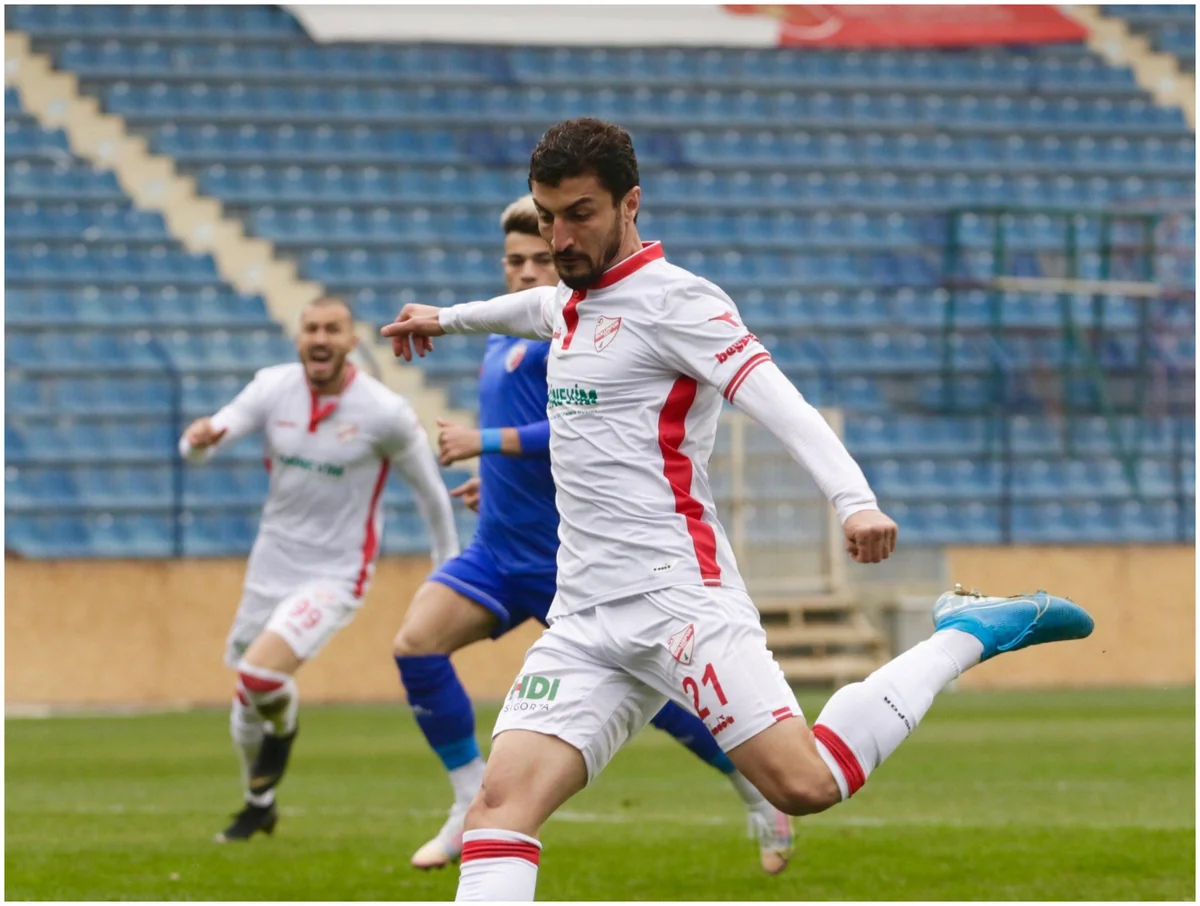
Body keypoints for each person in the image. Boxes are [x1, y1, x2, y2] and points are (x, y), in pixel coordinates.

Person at [381, 119, 1095, 901]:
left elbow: (778, 402)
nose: (559, 236)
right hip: (583, 613)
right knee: (499, 809)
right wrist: (442, 318)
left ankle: (966, 633)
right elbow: (532, 309)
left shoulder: (682, 303)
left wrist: (855, 502)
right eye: (548, 215)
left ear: (631, 205)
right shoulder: (570, 303)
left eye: (579, 213)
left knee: (806, 784)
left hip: (677, 600)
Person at [391, 195, 795, 874]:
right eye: (514, 261)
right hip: (497, 548)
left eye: (539, 260)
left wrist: (484, 442)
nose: (524, 273)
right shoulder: (500, 335)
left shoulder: (576, 333)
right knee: (415, 645)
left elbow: (578, 433)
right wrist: (495, 477)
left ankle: (756, 785)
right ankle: (468, 801)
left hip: (568, 560)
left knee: (659, 702)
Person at [180, 296, 460, 843]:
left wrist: (444, 571)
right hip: (271, 564)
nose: (321, 338)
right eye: (311, 328)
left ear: (352, 340)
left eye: (333, 329)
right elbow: (208, 440)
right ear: (299, 337)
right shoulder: (272, 387)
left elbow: (432, 498)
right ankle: (257, 800)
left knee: (261, 676)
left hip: (336, 574)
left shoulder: (384, 412)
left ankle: (282, 737)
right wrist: (197, 442)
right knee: (245, 696)